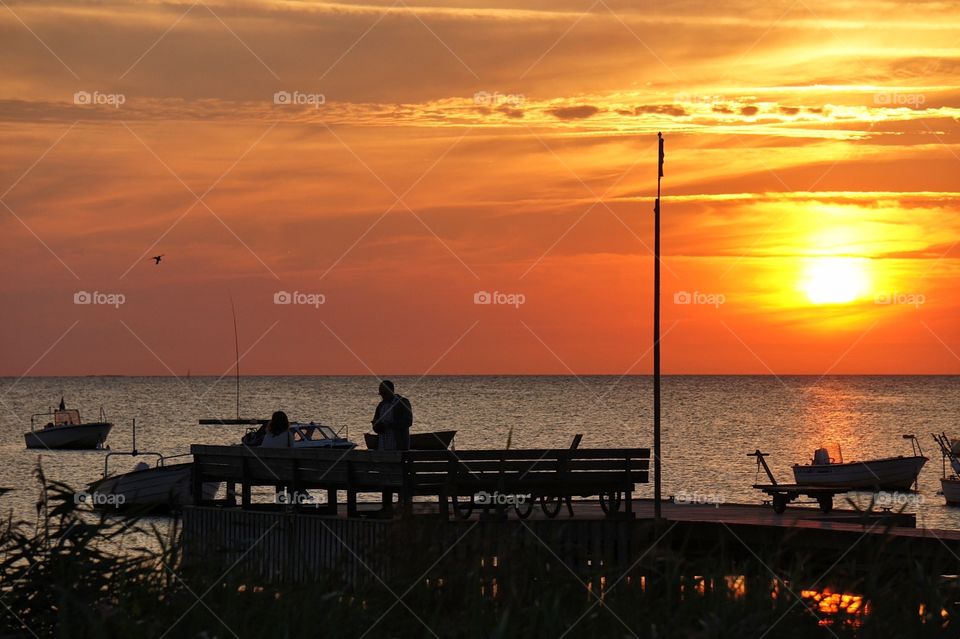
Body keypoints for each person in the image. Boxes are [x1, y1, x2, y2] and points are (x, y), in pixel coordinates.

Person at [371, 380, 412, 451]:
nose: (382, 396)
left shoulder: (402, 403)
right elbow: (376, 428)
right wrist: (376, 425)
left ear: (391, 391)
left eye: (384, 393)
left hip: (398, 448)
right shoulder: (380, 406)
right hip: (382, 448)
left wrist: (389, 424)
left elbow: (408, 421)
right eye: (381, 394)